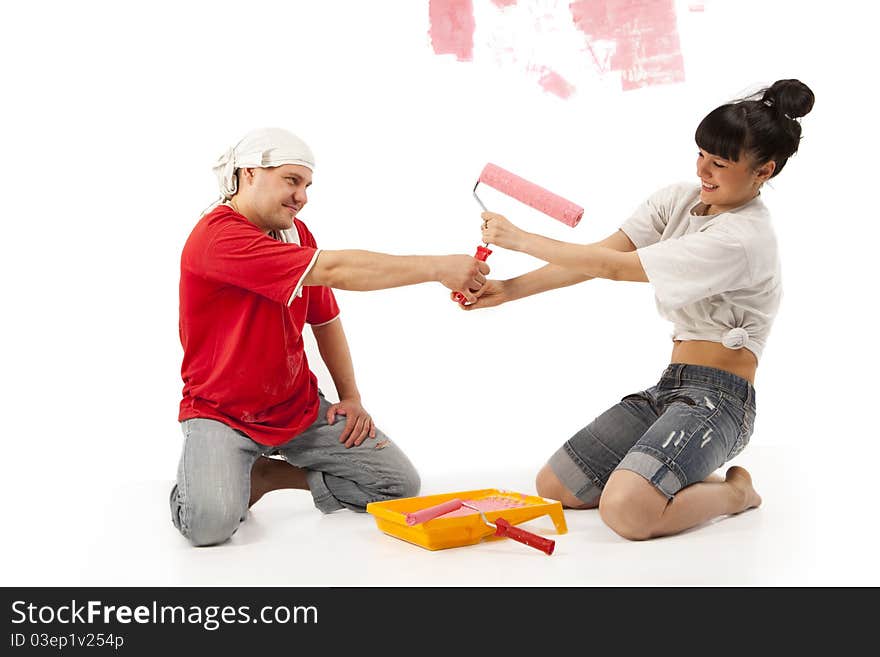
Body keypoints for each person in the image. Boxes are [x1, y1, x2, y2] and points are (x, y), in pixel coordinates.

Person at [461, 79, 814, 540]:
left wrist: (520, 238)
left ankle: (736, 494)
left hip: (720, 401)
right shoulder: (680, 200)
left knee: (627, 512)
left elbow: (617, 268)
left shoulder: (742, 239)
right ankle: (655, 477)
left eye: (720, 164)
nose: (703, 171)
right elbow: (600, 254)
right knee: (556, 486)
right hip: (670, 386)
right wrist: (508, 289)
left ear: (763, 171)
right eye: (702, 155)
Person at [171, 127, 490, 546]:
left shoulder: (296, 235)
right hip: (222, 413)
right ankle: (209, 478)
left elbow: (325, 321)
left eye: (306, 185)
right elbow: (337, 269)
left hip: (295, 408)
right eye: (291, 180)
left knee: (396, 484)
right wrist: (436, 267)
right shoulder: (218, 237)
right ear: (249, 173)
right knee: (208, 525)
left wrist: (351, 398)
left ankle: (265, 476)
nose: (302, 196)